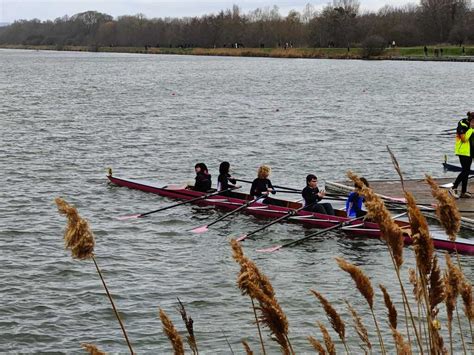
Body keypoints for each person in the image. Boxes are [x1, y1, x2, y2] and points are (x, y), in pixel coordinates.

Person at [450, 112, 474, 198]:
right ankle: (453, 188)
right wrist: (471, 129)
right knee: (465, 171)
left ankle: (463, 192)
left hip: (470, 152)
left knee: (467, 172)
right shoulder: (462, 125)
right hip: (463, 151)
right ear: (471, 120)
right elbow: (464, 139)